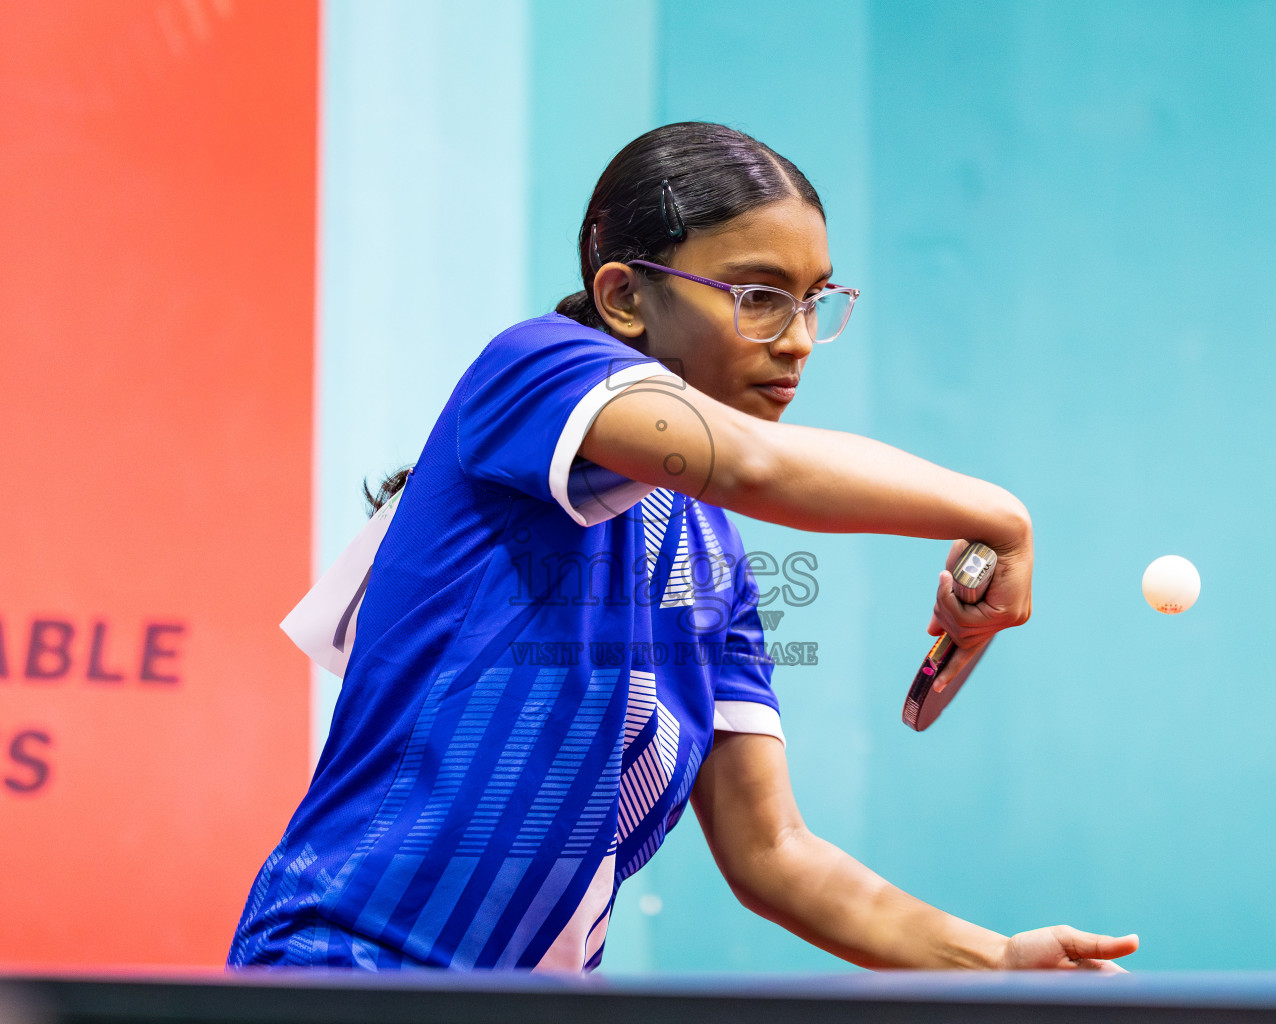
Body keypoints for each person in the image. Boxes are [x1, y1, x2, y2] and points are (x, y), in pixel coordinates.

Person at [228, 122, 1138, 973]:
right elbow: (749, 464)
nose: (800, 341)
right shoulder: (536, 370)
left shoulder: (709, 562)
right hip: (345, 967)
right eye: (757, 297)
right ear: (625, 296)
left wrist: (998, 964)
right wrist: (999, 516)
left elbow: (775, 854)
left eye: (815, 300)